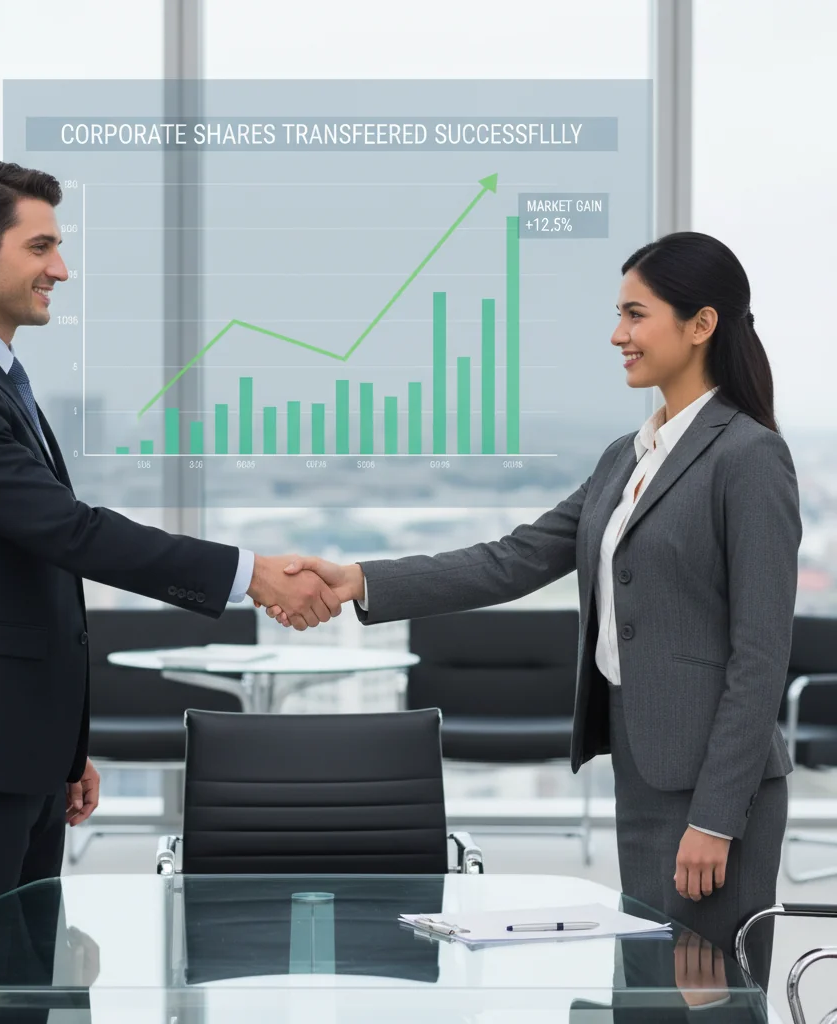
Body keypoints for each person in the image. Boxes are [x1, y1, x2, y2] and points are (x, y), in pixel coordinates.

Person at [268, 232, 800, 991]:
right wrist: (357, 579)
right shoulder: (629, 455)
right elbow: (513, 558)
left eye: (635, 314)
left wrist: (717, 819)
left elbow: (760, 655)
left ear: (701, 324)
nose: (617, 334)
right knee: (649, 993)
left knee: (708, 998)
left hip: (718, 789)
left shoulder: (748, 457)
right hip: (646, 771)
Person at [0, 161, 342, 939]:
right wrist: (248, 573)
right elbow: (70, 531)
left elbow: (25, 572)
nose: (61, 267)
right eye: (41, 245)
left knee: (22, 987)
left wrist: (58, 747)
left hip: (1, 746)